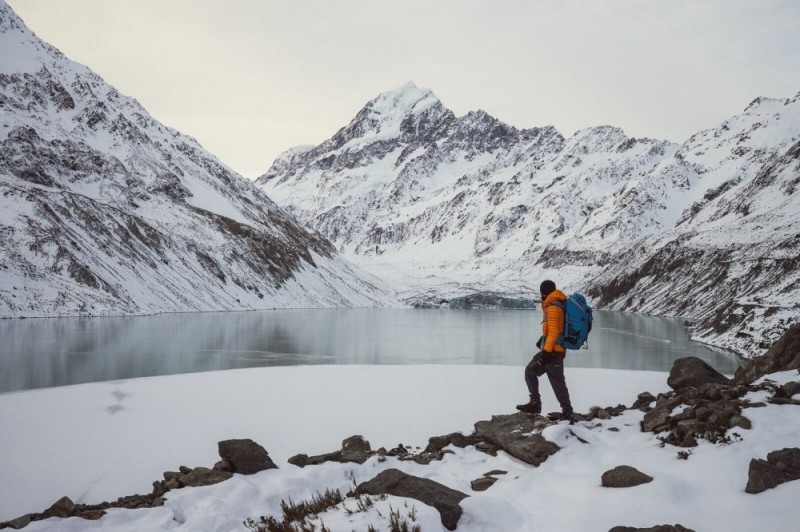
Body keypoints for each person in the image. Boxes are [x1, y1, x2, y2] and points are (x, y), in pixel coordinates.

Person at [516, 280, 574, 423]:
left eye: (542, 292)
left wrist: (546, 352)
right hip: (550, 349)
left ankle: (568, 412)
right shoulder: (552, 305)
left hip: (554, 352)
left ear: (544, 292)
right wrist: (542, 342)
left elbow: (554, 332)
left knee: (557, 383)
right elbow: (552, 331)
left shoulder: (554, 308)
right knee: (530, 371)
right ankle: (535, 403)